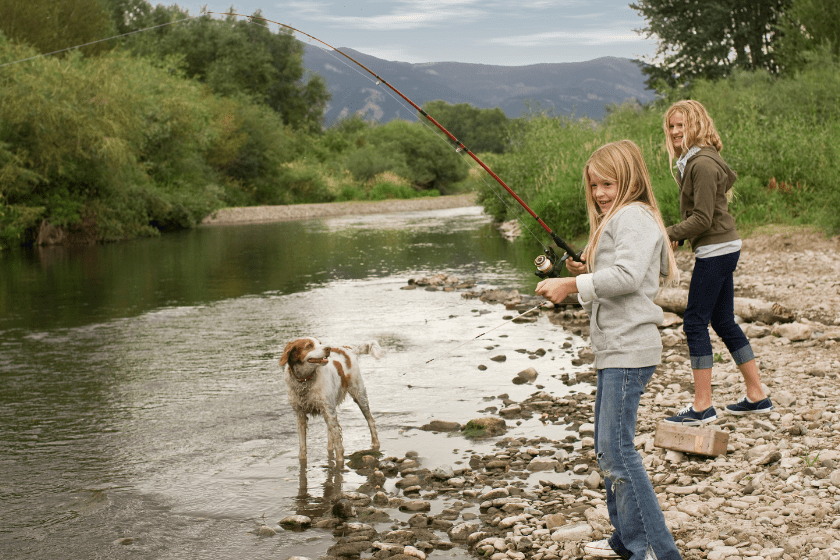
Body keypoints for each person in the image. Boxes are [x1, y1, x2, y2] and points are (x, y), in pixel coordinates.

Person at [536, 140, 682, 560]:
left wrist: (571, 284)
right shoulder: (620, 217)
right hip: (615, 350)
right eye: (594, 185)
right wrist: (588, 272)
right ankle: (625, 539)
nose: (599, 193)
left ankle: (655, 550)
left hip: (630, 350)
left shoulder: (634, 215)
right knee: (607, 450)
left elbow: (629, 276)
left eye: (608, 183)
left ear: (630, 178)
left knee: (618, 451)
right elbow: (614, 276)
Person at [660, 100, 772, 426]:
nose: (676, 131)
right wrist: (679, 234)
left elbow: (703, 218)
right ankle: (756, 395)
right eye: (672, 126)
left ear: (697, 125)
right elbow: (701, 218)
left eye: (682, 125)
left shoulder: (703, 164)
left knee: (695, 322)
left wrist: (668, 232)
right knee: (722, 321)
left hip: (717, 249)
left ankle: (702, 406)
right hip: (721, 246)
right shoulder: (695, 161)